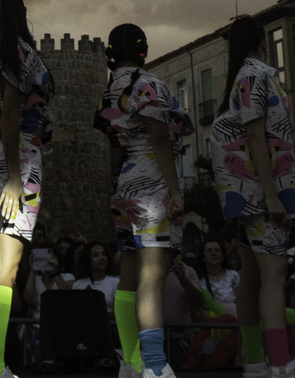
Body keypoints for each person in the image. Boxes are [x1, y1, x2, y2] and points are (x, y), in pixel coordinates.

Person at [209, 15, 295, 378]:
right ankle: (282, 365)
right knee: (274, 274)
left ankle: (254, 361)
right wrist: (271, 194)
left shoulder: (244, 77)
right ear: (263, 40)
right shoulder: (256, 75)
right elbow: (257, 136)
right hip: (259, 191)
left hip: (246, 190)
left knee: (252, 277)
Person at [95, 23, 192, 378]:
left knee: (130, 275)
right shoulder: (150, 84)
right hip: (153, 180)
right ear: (144, 49)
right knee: (152, 276)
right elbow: (160, 139)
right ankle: (153, 363)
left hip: (125, 182)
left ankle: (131, 360)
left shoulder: (110, 91)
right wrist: (176, 190)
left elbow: (112, 136)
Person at [0, 0, 54, 378]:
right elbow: (9, 115)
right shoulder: (18, 52)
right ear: (23, 11)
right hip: (18, 159)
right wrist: (16, 178)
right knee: (7, 266)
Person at [71, 241, 119, 310]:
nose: (102, 257)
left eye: (104, 254)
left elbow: (118, 313)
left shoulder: (116, 283)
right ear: (88, 259)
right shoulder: (78, 285)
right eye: (96, 255)